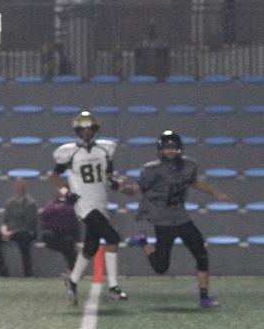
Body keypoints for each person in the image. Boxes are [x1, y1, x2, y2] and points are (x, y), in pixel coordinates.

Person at [120, 130, 230, 308]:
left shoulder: (188, 165)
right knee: (161, 268)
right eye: (167, 148)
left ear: (180, 149)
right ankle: (143, 243)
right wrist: (122, 187)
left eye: (174, 148)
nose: (171, 151)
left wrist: (215, 193)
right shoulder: (152, 169)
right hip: (163, 222)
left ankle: (204, 297)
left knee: (201, 255)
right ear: (160, 150)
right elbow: (135, 189)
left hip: (182, 218)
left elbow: (195, 182)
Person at [53, 111, 127, 305]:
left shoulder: (104, 150)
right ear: (77, 131)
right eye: (82, 130)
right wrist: (64, 191)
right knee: (112, 238)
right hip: (84, 204)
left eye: (89, 129)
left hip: (100, 202)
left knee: (91, 247)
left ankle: (73, 281)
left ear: (95, 130)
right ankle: (113, 287)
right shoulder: (70, 152)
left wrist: (115, 182)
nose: (86, 133)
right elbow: (55, 176)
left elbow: (109, 173)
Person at [0, 178, 38, 277]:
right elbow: (5, 221)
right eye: (17, 186)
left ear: (25, 188)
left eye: (21, 187)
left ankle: (27, 269)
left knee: (23, 237)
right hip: (10, 232)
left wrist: (11, 233)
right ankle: (1, 268)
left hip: (25, 232)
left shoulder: (31, 204)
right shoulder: (9, 203)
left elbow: (28, 225)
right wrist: (4, 231)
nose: (19, 189)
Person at [40, 194, 80, 271]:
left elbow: (73, 217)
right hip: (53, 232)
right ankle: (72, 266)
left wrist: (64, 207)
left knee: (69, 242)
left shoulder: (71, 205)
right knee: (46, 236)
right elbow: (44, 214)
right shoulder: (52, 204)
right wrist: (55, 208)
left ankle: (73, 268)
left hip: (67, 232)